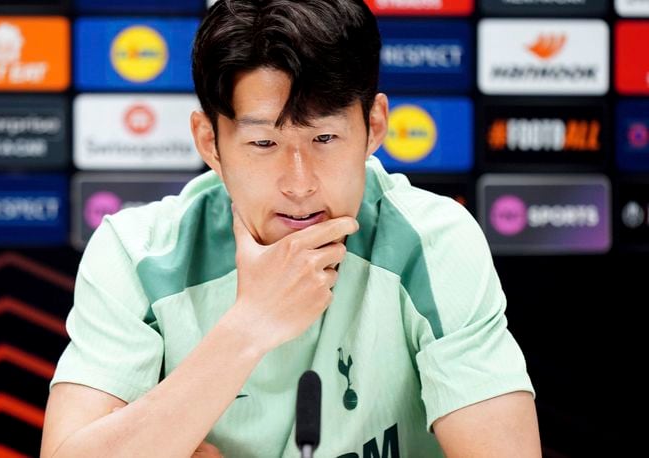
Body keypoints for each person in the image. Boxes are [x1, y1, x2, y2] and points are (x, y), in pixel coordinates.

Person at [40, 0, 541, 456]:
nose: (299, 184)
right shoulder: (137, 254)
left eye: (324, 137)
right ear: (209, 142)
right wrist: (249, 326)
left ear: (376, 126)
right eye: (263, 144)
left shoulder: (434, 244)